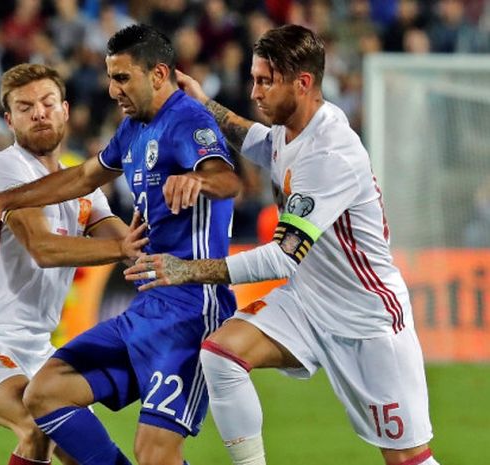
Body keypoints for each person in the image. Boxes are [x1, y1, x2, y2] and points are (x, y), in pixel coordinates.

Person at [125, 24, 441, 465]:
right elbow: (256, 141)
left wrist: (185, 269)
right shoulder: (291, 130)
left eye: (264, 81)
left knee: (407, 459)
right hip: (309, 303)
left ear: (303, 83)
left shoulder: (330, 154)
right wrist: (205, 105)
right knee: (220, 354)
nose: (254, 91)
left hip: (366, 321)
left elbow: (282, 256)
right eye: (254, 79)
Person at [0, 24, 241, 465]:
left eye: (122, 78)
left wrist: (197, 179)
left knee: (152, 452)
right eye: (110, 77)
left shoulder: (188, 120)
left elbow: (227, 178)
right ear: (8, 118)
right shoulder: (131, 131)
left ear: (158, 74)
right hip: (137, 309)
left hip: (192, 310)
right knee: (46, 398)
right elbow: (84, 179)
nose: (112, 90)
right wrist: (4, 201)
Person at [0, 63, 149, 465]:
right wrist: (125, 250)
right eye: (25, 106)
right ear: (9, 120)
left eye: (48, 102)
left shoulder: (77, 183)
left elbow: (128, 241)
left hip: (38, 345)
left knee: (84, 452)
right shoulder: (6, 169)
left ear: (65, 110)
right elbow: (44, 249)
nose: (39, 112)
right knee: (37, 425)